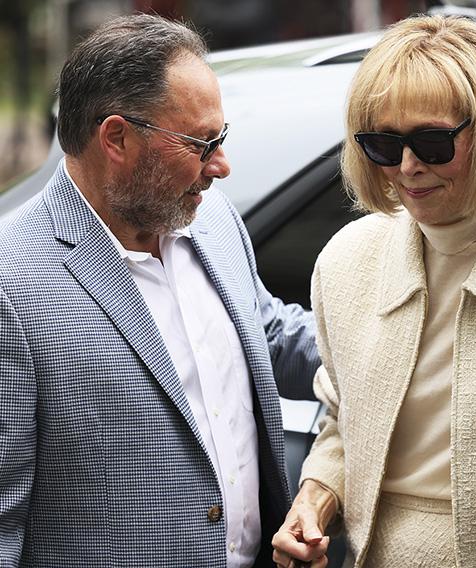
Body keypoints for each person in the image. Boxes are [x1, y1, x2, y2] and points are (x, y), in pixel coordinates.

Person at [0, 14, 320, 567]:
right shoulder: (13, 282)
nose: (221, 166)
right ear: (117, 138)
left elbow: (264, 335)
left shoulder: (212, 219)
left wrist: (399, 342)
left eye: (222, 139)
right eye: (201, 143)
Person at [271, 15, 476, 568]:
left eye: (433, 142)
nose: (409, 167)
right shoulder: (348, 261)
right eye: (384, 144)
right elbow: (344, 420)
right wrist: (314, 501)